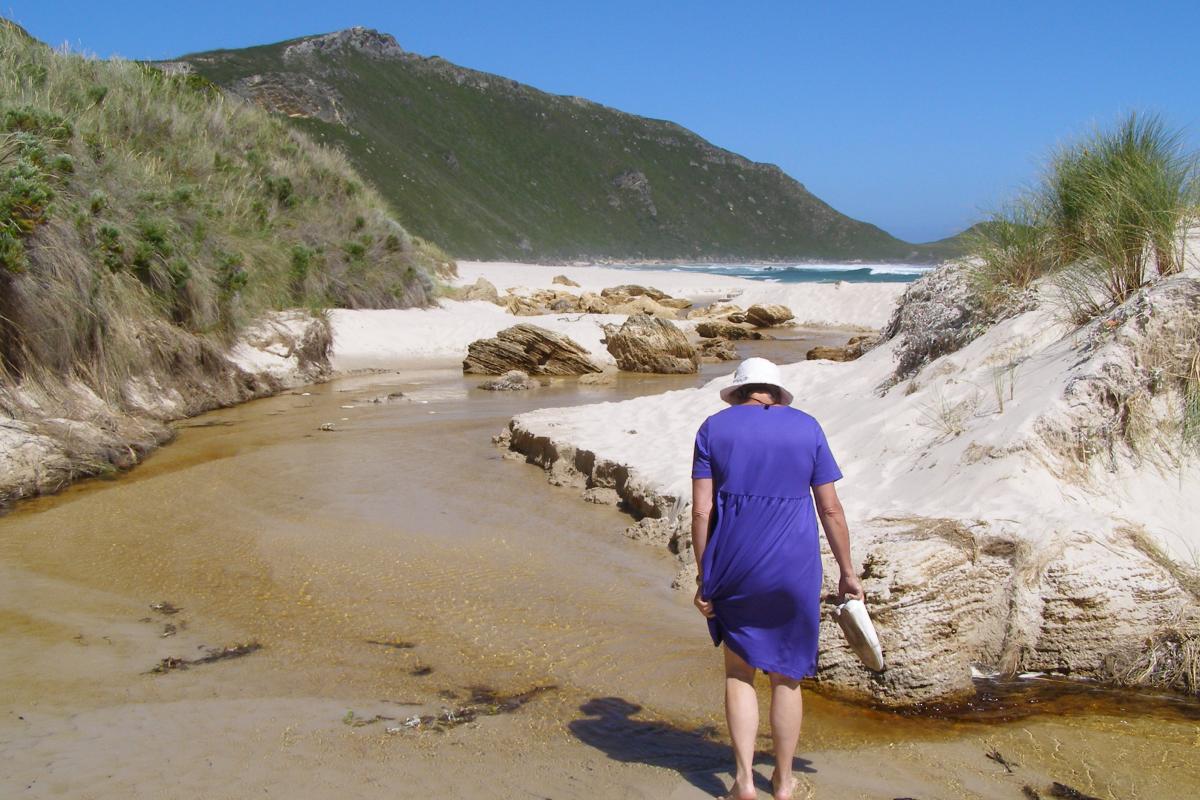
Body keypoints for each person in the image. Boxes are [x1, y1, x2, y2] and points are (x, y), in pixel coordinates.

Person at [691, 357, 863, 800]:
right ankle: (783, 783)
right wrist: (848, 572)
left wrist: (703, 576)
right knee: (787, 676)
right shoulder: (807, 428)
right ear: (775, 391)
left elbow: (701, 510)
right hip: (794, 565)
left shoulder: (713, 428)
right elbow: (830, 509)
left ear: (740, 391)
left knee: (739, 671)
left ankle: (744, 782)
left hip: (734, 564)